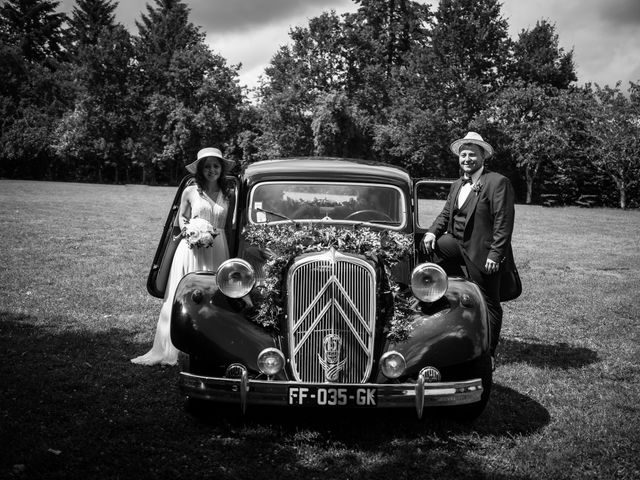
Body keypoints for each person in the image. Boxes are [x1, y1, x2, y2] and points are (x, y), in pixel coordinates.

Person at [131, 147, 235, 366]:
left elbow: (231, 223)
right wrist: (194, 231)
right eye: (207, 166)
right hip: (192, 247)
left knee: (213, 294)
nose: (212, 170)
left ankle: (209, 342)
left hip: (219, 246)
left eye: (216, 166)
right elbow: (181, 221)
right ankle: (171, 346)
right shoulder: (190, 191)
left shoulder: (228, 193)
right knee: (184, 293)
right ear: (200, 169)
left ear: (221, 169)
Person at [422, 132, 516, 367]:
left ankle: (489, 353)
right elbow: (445, 214)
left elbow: (504, 221)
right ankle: (433, 299)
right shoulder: (456, 185)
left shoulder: (497, 182)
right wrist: (433, 231)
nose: (467, 158)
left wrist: (496, 254)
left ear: (482, 156)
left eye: (472, 154)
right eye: (463, 154)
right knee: (426, 250)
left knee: (489, 302)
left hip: (482, 251)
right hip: (457, 243)